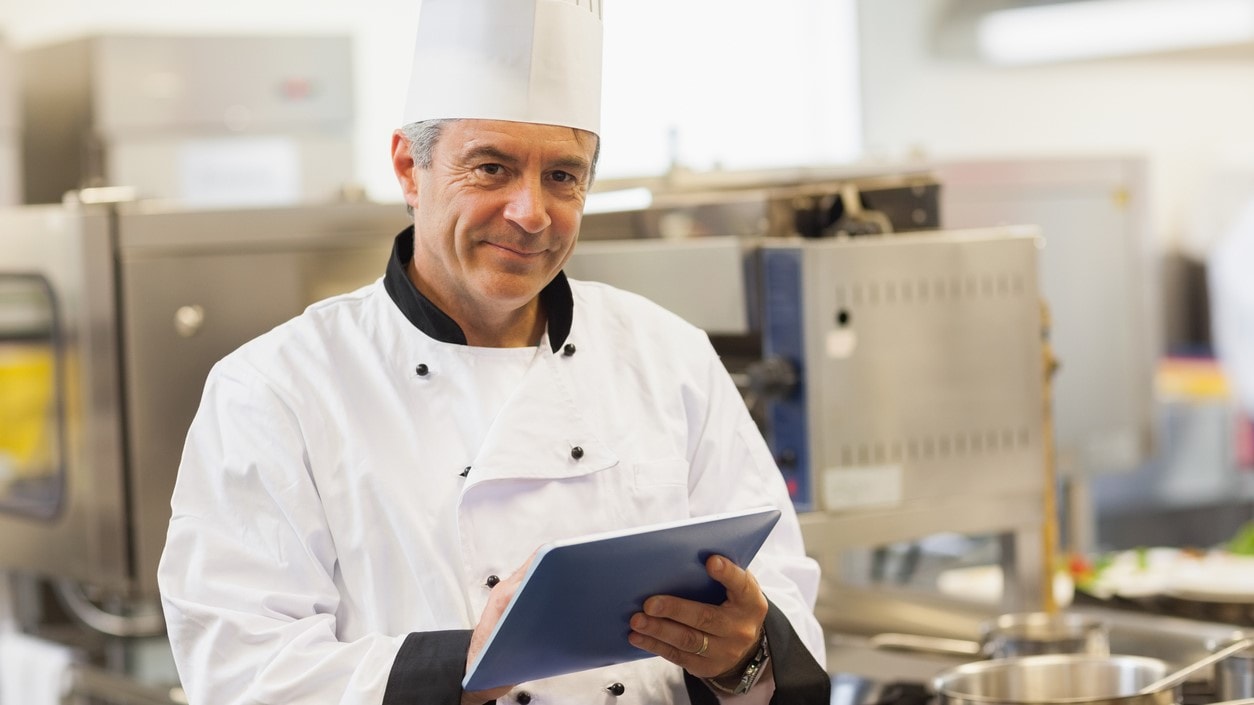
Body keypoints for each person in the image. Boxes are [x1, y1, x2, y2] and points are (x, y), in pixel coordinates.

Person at [157, 1, 829, 703]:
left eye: (563, 176)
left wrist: (743, 657)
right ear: (409, 170)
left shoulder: (669, 356)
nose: (531, 212)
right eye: (491, 167)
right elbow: (243, 669)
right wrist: (465, 666)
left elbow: (781, 593)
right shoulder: (276, 390)